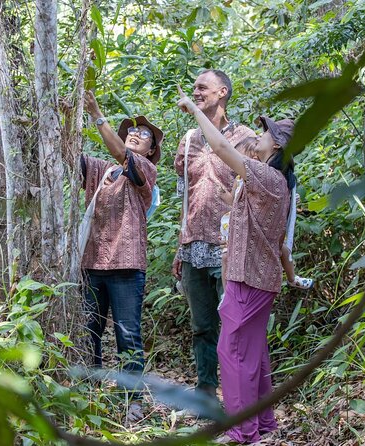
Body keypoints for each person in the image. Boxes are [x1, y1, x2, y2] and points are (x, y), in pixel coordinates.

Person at [179, 85, 293, 444]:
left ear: (276, 145)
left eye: (265, 133)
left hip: (250, 278)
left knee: (232, 352)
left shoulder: (268, 177)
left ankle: (242, 431)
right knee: (253, 353)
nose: (258, 136)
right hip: (257, 277)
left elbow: (221, 147)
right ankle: (262, 424)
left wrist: (195, 112)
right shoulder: (270, 181)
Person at [171, 69, 256, 401]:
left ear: (222, 92)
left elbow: (254, 190)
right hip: (193, 247)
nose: (196, 92)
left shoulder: (246, 138)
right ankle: (206, 394)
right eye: (193, 88)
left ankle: (240, 395)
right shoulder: (189, 140)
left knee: (235, 325)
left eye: (202, 87)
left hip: (229, 247)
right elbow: (185, 194)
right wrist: (181, 245)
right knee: (202, 326)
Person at [81, 90, 163, 423]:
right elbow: (74, 160)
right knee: (90, 331)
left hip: (127, 265)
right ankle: (88, 394)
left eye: (143, 134)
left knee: (128, 334)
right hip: (92, 263)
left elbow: (120, 153)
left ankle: (132, 399)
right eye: (131, 130)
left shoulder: (143, 169)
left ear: (151, 150)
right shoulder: (103, 171)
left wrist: (96, 113)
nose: (134, 134)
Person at [221, 137, 314, 291]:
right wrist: (222, 195)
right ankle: (226, 294)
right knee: (226, 258)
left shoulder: (266, 177)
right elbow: (234, 201)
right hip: (241, 227)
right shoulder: (239, 180)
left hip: (264, 233)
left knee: (284, 249)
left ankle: (292, 277)